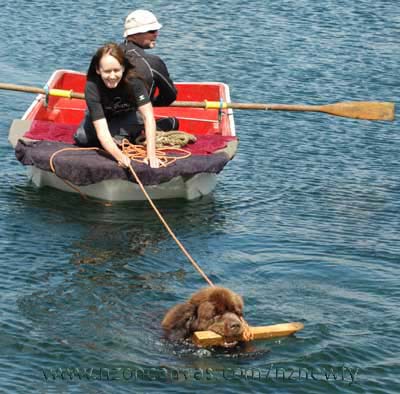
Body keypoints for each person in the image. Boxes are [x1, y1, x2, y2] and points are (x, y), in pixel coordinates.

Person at [74, 42, 160, 169]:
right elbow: (102, 131)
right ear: (98, 70)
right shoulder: (92, 87)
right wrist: (120, 157)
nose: (112, 76)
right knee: (82, 138)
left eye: (116, 70)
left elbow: (148, 117)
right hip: (103, 118)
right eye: (107, 71)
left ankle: (163, 125)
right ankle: (120, 137)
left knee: (129, 129)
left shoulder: (134, 82)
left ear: (123, 68)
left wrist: (151, 155)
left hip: (128, 116)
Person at [120, 9, 179, 131]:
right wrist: (148, 103)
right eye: (152, 31)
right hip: (132, 126)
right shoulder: (153, 62)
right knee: (172, 122)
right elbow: (170, 96)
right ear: (135, 34)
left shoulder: (106, 55)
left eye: (156, 30)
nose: (156, 34)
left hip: (104, 121)